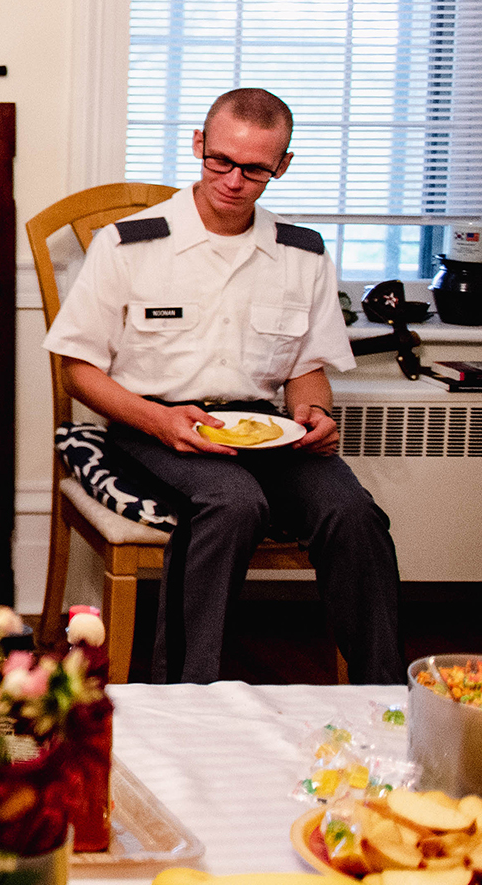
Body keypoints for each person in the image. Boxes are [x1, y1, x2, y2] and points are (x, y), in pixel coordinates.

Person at [41, 88, 402, 683]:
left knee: (352, 512)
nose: (233, 180)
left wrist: (313, 414)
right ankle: (187, 691)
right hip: (152, 424)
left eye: (255, 169)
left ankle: (385, 694)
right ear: (198, 145)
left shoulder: (302, 254)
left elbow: (305, 367)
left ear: (281, 167)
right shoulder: (131, 244)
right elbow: (79, 369)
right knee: (234, 503)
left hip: (265, 428)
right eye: (221, 161)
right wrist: (161, 422)